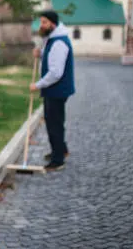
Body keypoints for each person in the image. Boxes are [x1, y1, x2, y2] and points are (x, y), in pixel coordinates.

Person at [30, 10, 75, 172]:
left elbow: (56, 72)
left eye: (44, 22)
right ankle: (61, 150)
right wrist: (41, 54)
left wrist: (38, 85)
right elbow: (51, 58)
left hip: (57, 89)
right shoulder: (52, 39)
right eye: (41, 22)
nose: (41, 25)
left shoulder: (58, 43)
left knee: (53, 122)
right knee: (55, 120)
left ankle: (57, 160)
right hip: (55, 89)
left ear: (52, 24)